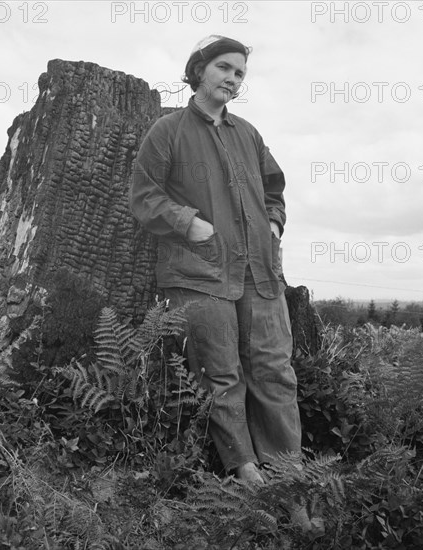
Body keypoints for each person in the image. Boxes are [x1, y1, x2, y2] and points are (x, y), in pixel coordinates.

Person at [129, 35, 302, 485]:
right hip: (198, 273)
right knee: (220, 375)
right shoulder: (167, 131)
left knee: (275, 372)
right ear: (200, 69)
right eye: (224, 67)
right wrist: (188, 223)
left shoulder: (248, 133)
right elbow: (144, 196)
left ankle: (289, 471)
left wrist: (274, 225)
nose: (232, 78)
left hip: (260, 273)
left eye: (239, 72)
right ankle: (244, 470)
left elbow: (273, 190)